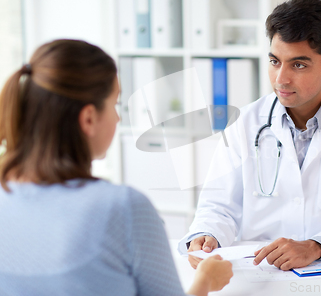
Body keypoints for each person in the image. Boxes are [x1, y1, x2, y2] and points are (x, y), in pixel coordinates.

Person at [179, 0, 321, 271]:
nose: (281, 79)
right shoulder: (246, 122)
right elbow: (218, 207)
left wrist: (316, 247)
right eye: (275, 61)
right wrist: (207, 234)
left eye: (298, 65)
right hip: (261, 271)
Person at [0, 39, 232, 296]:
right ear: (88, 118)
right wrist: (206, 281)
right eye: (114, 105)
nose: (118, 117)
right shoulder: (122, 209)